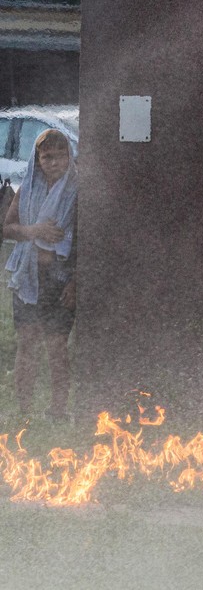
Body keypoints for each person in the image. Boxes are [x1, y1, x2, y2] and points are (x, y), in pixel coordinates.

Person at [2, 129, 78, 422]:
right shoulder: (28, 188)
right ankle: (24, 412)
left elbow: (86, 239)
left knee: (57, 347)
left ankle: (58, 411)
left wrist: (76, 281)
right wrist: (35, 231)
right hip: (27, 278)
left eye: (60, 156)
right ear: (38, 159)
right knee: (26, 345)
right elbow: (7, 228)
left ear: (69, 157)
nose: (53, 163)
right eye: (47, 157)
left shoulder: (78, 189)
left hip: (60, 280)